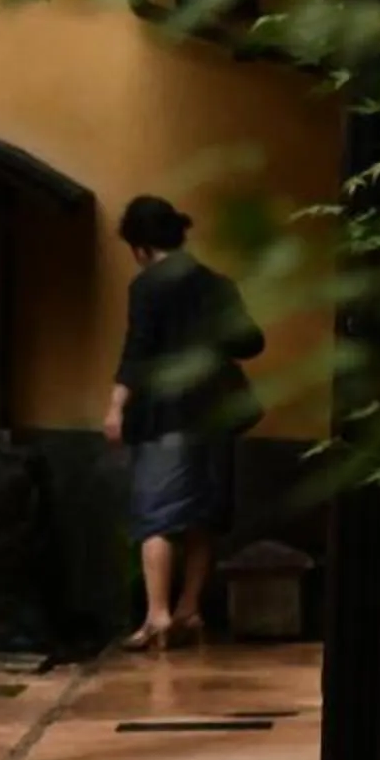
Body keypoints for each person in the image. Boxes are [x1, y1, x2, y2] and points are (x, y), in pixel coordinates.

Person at [103, 195, 264, 651]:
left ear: (139, 247)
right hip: (216, 413)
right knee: (200, 516)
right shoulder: (218, 284)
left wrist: (116, 405)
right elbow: (251, 342)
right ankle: (191, 609)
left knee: (155, 515)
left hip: (166, 415)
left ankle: (158, 615)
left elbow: (137, 350)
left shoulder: (149, 286)